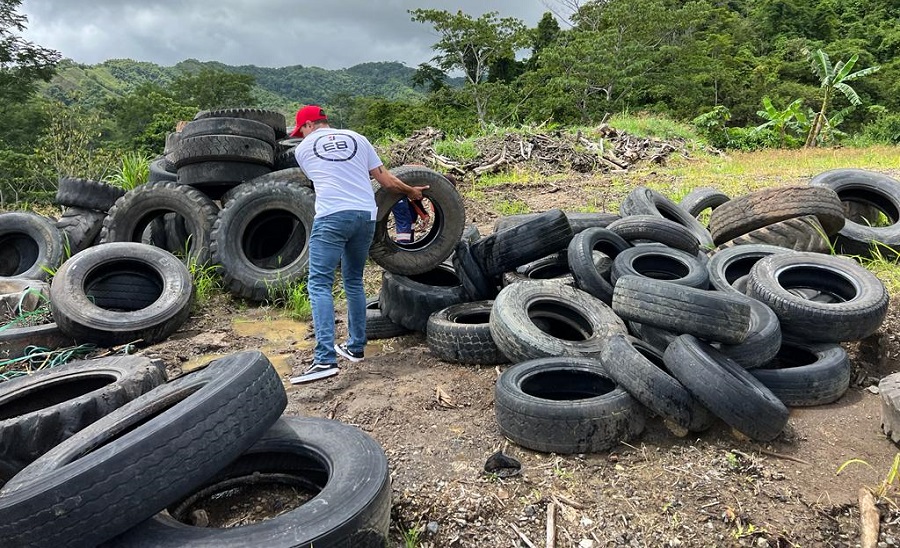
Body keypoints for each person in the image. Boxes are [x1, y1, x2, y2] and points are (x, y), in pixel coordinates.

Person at [288, 105, 426, 383]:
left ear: (307, 126)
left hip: (332, 217)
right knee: (353, 280)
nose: (300, 136)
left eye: (300, 131)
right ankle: (355, 347)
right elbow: (386, 181)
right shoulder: (358, 138)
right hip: (365, 216)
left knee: (319, 284)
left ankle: (325, 359)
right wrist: (412, 191)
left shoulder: (302, 150)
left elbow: (320, 179)